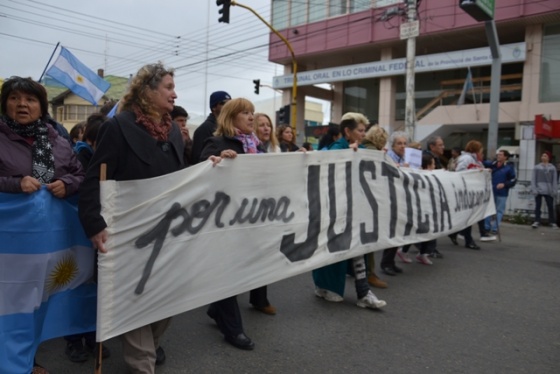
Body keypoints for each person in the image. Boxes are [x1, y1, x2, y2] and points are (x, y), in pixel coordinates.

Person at [79, 62, 185, 373]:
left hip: (170, 230)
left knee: (165, 298)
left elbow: (187, 176)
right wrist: (94, 224)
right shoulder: (119, 127)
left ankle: (148, 345)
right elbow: (93, 180)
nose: (174, 94)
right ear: (147, 91)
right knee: (137, 296)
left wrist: (219, 163)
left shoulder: (175, 131)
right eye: (168, 87)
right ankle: (142, 364)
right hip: (131, 231)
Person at [0, 76, 85, 374]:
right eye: (14, 98)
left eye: (30, 99)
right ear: (5, 103)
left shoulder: (57, 140)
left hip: (51, 244)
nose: (22, 104)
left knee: (39, 303)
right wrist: (13, 184)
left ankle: (27, 360)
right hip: (10, 246)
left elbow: (80, 174)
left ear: (41, 106)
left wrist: (67, 183)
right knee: (9, 304)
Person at [199, 98, 265, 350]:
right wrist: (216, 160)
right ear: (230, 117)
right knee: (228, 271)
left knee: (243, 269)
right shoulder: (217, 143)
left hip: (252, 217)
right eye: (245, 113)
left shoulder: (256, 146)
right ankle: (233, 329)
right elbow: (198, 171)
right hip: (224, 220)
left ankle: (217, 308)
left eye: (252, 113)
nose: (251, 117)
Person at [312, 116, 387, 309]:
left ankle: (363, 292)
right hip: (336, 209)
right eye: (360, 130)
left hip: (354, 209)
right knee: (333, 250)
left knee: (356, 247)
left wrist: (380, 157)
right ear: (348, 132)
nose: (363, 134)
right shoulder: (337, 149)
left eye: (364, 130)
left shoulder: (360, 150)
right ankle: (324, 286)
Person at [64, 111, 110, 363]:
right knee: (77, 286)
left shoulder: (109, 159)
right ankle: (73, 340)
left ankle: (94, 336)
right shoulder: (78, 158)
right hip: (78, 234)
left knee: (98, 288)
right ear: (92, 140)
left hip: (100, 233)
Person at [361, 123, 389, 288]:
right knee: (369, 239)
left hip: (362, 199)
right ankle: (369, 273)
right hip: (369, 201)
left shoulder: (365, 149)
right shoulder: (374, 153)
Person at [381, 131, 409, 276]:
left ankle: (390, 262)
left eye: (404, 143)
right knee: (392, 231)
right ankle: (386, 263)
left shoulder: (403, 158)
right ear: (393, 145)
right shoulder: (389, 157)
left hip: (399, 198)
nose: (403, 146)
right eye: (399, 143)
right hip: (390, 198)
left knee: (398, 232)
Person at [455, 140, 487, 249]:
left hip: (472, 191)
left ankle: (456, 234)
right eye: (480, 149)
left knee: (469, 216)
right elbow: (460, 172)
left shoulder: (475, 160)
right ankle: (468, 240)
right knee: (468, 216)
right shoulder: (466, 159)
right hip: (467, 190)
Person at [191, 91, 231, 164]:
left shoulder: (230, 128)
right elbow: (197, 160)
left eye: (230, 103)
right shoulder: (203, 129)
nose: (228, 106)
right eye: (223, 103)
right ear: (214, 107)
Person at [484, 150, 517, 234]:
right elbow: (483, 163)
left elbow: (513, 180)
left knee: (499, 211)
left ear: (505, 157)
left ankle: (495, 228)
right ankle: (486, 227)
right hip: (492, 190)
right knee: (488, 209)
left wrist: (504, 184)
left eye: (501, 155)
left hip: (502, 192)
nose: (498, 156)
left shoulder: (509, 167)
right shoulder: (492, 164)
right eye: (498, 154)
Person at [531, 151, 558, 229]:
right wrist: (534, 188)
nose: (543, 157)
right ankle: (537, 221)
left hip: (548, 189)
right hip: (538, 189)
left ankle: (552, 222)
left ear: (549, 158)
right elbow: (533, 178)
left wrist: (554, 190)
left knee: (550, 206)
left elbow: (554, 180)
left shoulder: (552, 168)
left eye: (545, 156)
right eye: (542, 156)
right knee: (538, 206)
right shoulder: (537, 167)